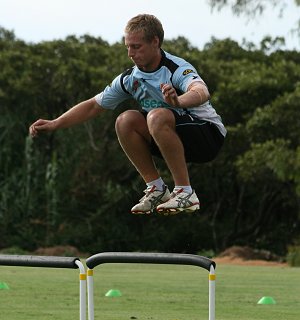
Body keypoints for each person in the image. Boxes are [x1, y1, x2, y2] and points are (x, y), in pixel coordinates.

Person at [29, 14, 226, 215]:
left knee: (157, 115)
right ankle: (157, 189)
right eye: (128, 47)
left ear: (155, 42)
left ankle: (185, 193)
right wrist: (55, 123)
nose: (130, 53)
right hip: (171, 138)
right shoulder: (130, 78)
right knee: (125, 121)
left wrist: (178, 101)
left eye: (137, 46)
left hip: (207, 136)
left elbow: (201, 91)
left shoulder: (175, 68)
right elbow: (93, 106)